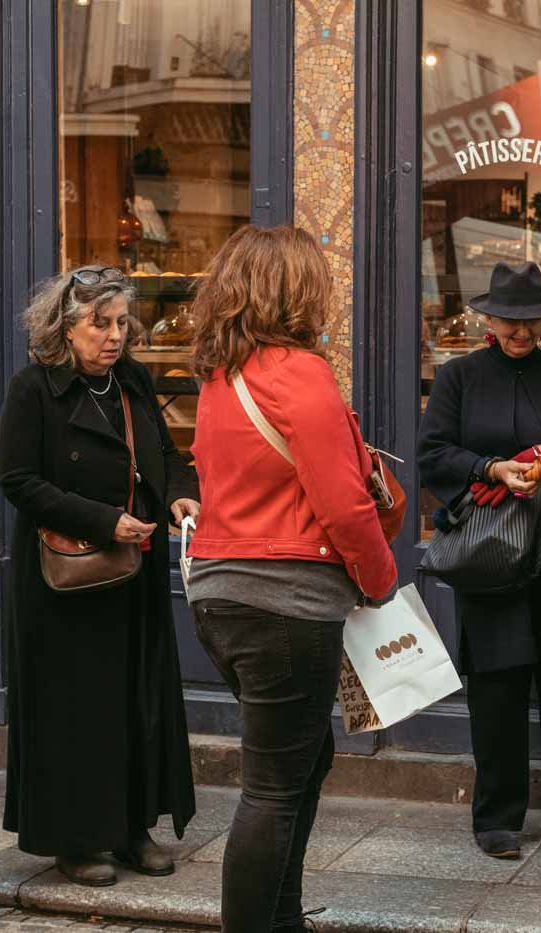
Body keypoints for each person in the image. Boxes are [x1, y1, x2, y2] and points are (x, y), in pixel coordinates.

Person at [185, 225, 398, 933]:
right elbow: (343, 502)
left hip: (221, 597)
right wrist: (380, 579)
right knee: (273, 786)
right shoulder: (299, 374)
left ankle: (283, 918)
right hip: (285, 601)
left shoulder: (223, 376)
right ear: (298, 290)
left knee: (303, 761)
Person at [0, 265, 200, 887]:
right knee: (76, 707)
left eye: (120, 323)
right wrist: (104, 521)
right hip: (66, 574)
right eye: (99, 323)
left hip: (133, 568)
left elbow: (167, 454)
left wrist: (179, 497)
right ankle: (78, 838)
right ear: (65, 326)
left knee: (136, 698)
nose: (114, 335)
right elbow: (19, 481)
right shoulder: (33, 388)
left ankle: (133, 826)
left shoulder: (133, 379)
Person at [417, 260, 541, 861]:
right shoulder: (459, 377)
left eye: (533, 321)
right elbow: (432, 454)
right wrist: (491, 468)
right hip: (495, 547)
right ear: (487, 318)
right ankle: (497, 816)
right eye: (510, 320)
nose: (522, 332)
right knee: (496, 684)